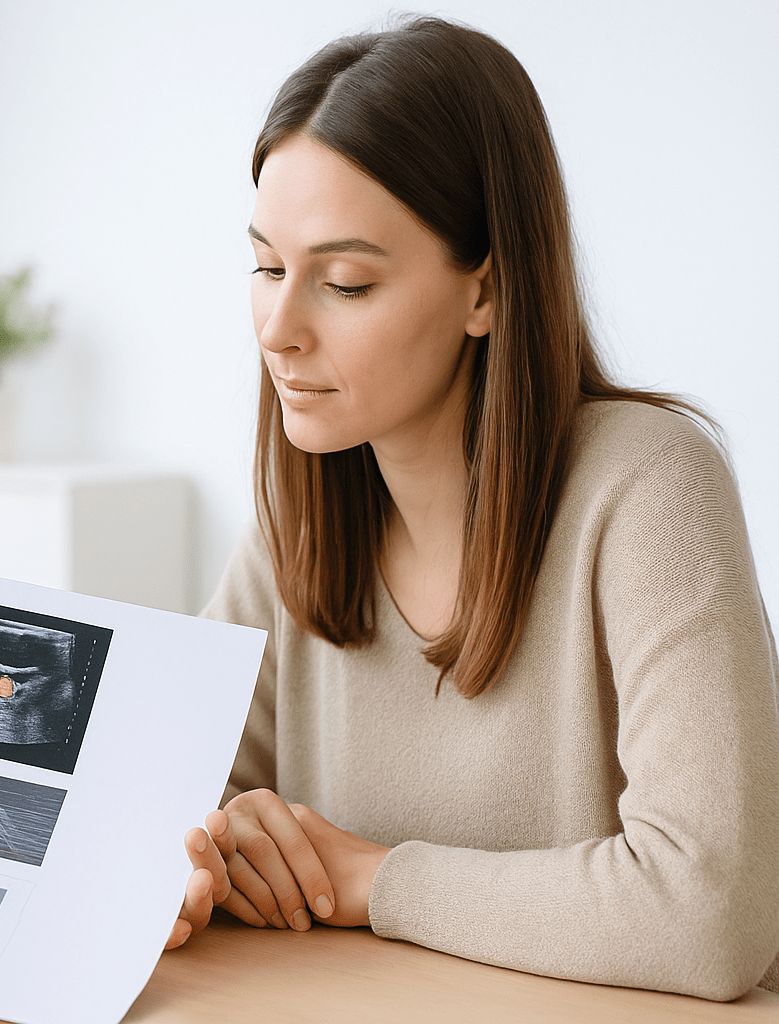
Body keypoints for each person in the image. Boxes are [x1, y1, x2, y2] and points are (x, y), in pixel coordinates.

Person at [169, 16, 779, 1001]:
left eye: (346, 281)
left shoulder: (648, 486)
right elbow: (162, 789)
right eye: (268, 268)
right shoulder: (301, 519)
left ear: (485, 289)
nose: (279, 331)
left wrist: (377, 877)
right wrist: (204, 849)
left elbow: (709, 912)